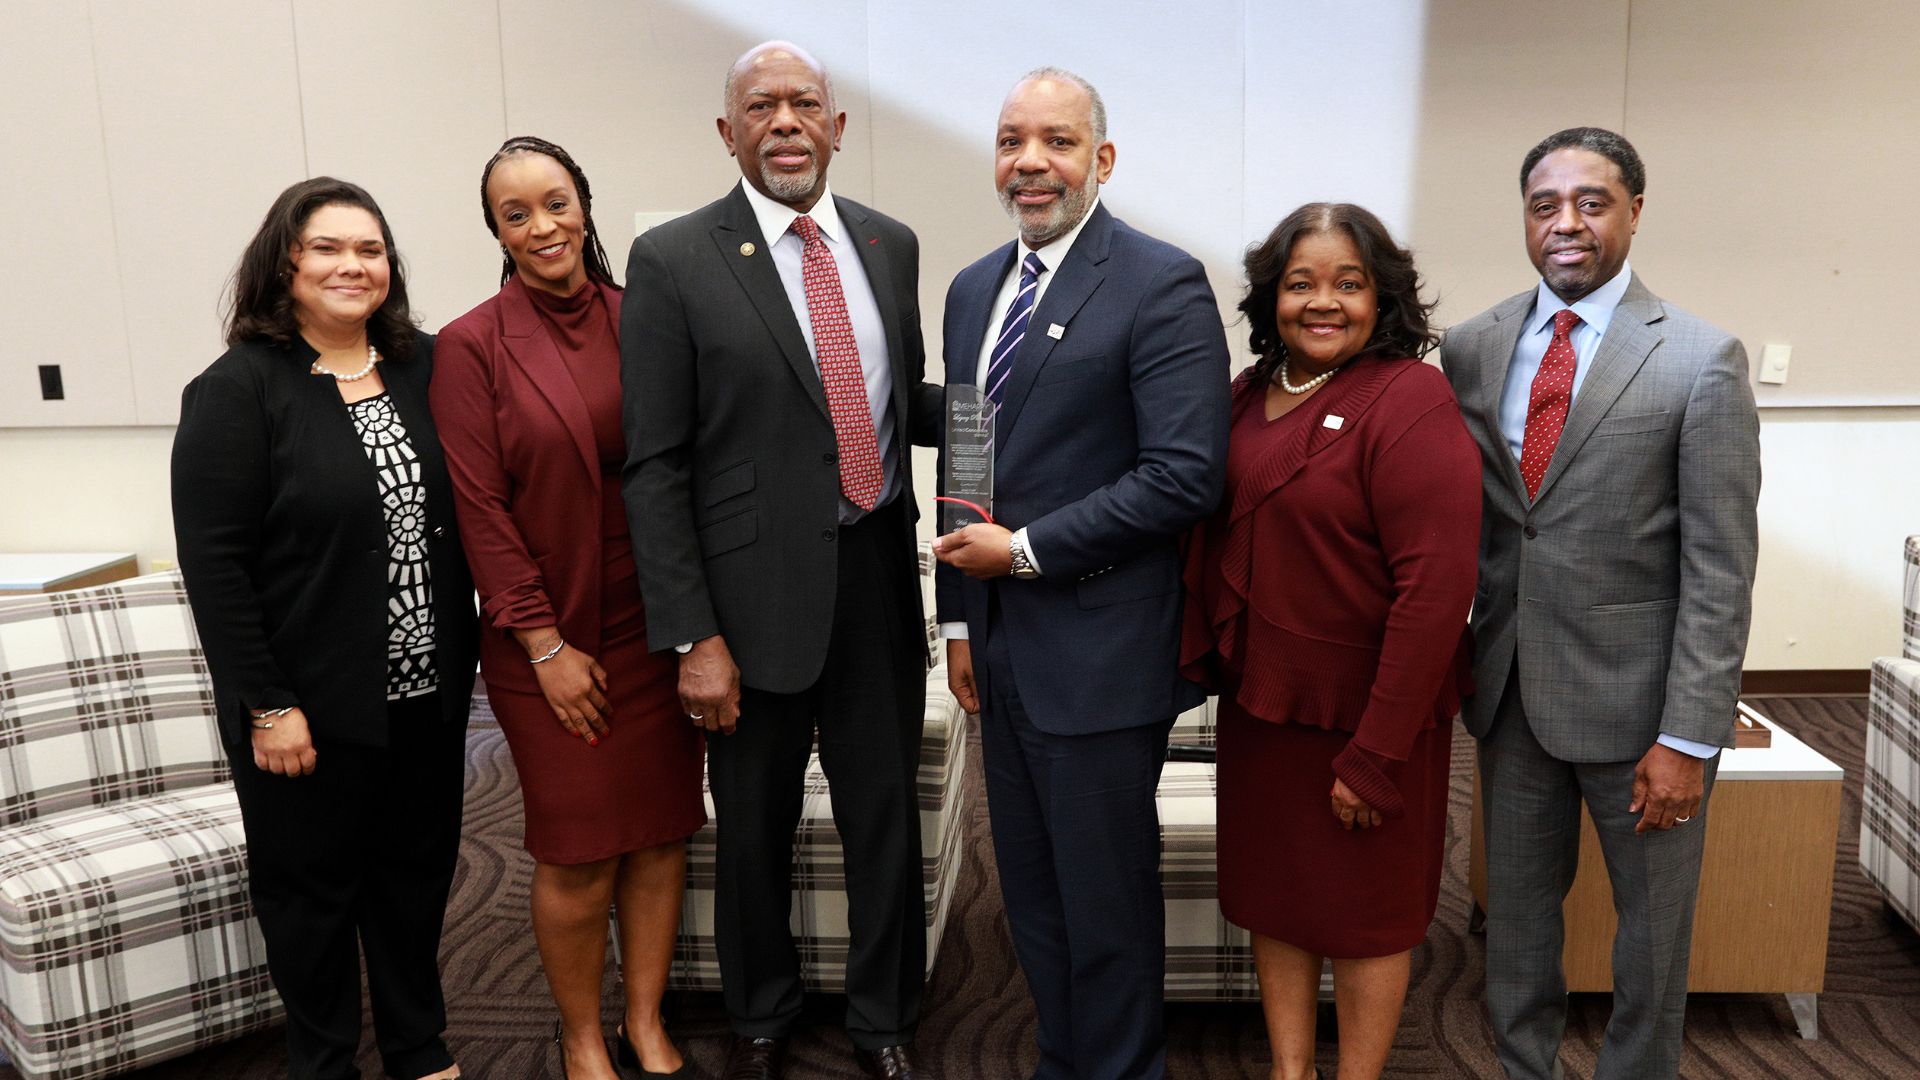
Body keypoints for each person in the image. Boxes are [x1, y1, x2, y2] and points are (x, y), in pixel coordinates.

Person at [619, 41, 942, 1080]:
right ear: (729, 132)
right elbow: (655, 464)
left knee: (885, 821)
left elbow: (900, 407)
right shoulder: (673, 259)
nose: (787, 122)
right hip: (745, 608)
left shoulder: (891, 245)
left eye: (807, 103)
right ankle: (760, 1015)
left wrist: (1023, 408)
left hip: (880, 584)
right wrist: (691, 633)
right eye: (762, 107)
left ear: (839, 127)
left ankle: (886, 1019)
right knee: (752, 827)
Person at [1440, 127, 1761, 1080]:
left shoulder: (1701, 360)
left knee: (1652, 942)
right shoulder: (1472, 346)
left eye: (1592, 202)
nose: (1566, 224)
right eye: (1545, 206)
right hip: (1510, 695)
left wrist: (1691, 735)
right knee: (1519, 929)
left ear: (1633, 211)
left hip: (1641, 711)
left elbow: (1720, 564)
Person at [932, 68, 1230, 1080]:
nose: (1030, 162)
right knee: (1035, 893)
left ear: (1100, 160)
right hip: (1001, 650)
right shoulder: (976, 288)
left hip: (1101, 650)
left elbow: (1186, 475)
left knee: (1102, 897)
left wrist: (1020, 552)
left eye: (1057, 142)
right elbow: (967, 455)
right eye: (1013, 140)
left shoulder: (1161, 280)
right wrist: (960, 621)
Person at [172, 177, 479, 1080]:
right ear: (286, 264)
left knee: (415, 880)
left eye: (371, 249)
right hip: (305, 709)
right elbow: (216, 570)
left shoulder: (425, 368)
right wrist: (267, 704)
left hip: (425, 693)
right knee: (310, 900)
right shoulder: (236, 391)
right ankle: (324, 1059)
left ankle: (420, 1049)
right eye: (328, 248)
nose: (354, 265)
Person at [1178, 203, 1480, 1080]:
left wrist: (1376, 752)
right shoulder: (1245, 394)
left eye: (1348, 284)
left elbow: (1436, 594)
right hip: (1266, 705)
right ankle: (1289, 1070)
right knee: (1278, 898)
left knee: (1366, 915)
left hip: (1367, 716)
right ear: (1272, 296)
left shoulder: (1411, 398)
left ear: (1381, 296)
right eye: (1301, 283)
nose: (1324, 302)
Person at [430, 136, 702, 1080]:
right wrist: (546, 646)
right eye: (516, 214)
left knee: (663, 832)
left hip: (656, 621)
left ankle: (646, 1022)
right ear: (497, 234)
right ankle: (582, 1036)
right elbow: (480, 508)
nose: (542, 226)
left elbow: (687, 465)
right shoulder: (471, 346)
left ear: (585, 204)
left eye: (555, 202)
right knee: (579, 852)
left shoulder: (645, 316)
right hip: (547, 629)